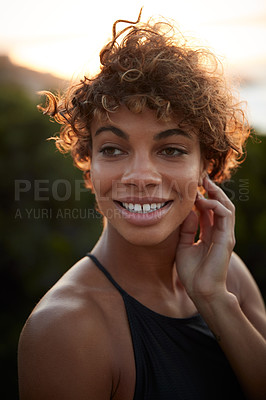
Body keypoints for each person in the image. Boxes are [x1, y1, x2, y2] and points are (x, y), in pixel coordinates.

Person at [18, 9, 266, 400]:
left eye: (170, 149)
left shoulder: (226, 275)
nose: (140, 176)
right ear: (89, 165)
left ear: (208, 165)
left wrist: (214, 299)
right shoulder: (66, 328)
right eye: (113, 149)